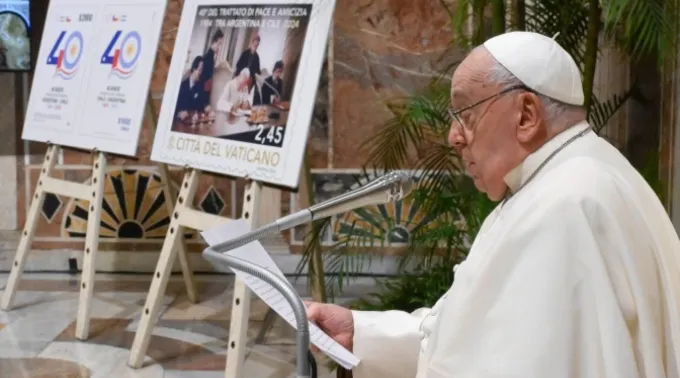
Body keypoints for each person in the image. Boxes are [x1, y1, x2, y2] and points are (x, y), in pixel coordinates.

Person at [305, 31, 680, 378]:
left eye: (465, 115)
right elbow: (466, 335)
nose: (454, 137)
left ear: (527, 115)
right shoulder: (575, 175)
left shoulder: (565, 206)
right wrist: (362, 333)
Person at [174, 56, 208, 121]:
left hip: (192, 122)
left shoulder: (200, 86)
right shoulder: (182, 86)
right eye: (200, 70)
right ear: (194, 69)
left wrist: (206, 108)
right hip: (179, 122)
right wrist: (178, 114)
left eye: (202, 71)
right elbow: (173, 107)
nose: (201, 74)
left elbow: (200, 105)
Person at [199, 29, 225, 107]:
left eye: (220, 44)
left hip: (207, 89)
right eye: (219, 43)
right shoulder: (207, 57)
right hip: (203, 91)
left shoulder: (212, 56)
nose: (219, 46)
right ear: (215, 41)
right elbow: (205, 79)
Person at [235, 33, 262, 104]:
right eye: (254, 45)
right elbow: (238, 65)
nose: (255, 47)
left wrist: (256, 75)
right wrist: (242, 74)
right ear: (252, 43)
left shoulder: (257, 57)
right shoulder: (245, 53)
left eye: (257, 46)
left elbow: (258, 71)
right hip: (242, 78)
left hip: (250, 81)